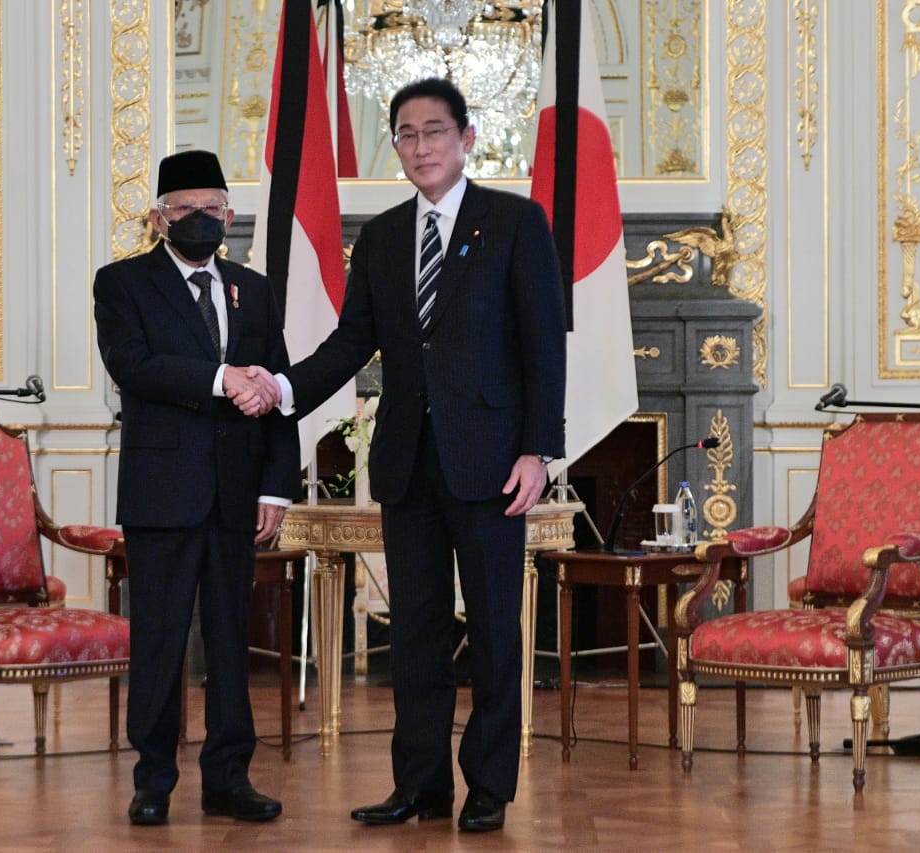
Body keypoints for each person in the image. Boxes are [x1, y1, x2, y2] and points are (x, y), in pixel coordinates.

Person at [249, 77, 567, 832]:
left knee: (493, 629)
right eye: (406, 134)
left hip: (492, 463)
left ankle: (488, 784)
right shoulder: (386, 235)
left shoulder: (517, 223)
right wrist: (284, 387)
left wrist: (539, 451)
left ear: (467, 137)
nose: (420, 147)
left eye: (434, 131)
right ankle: (420, 785)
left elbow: (542, 345)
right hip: (406, 462)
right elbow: (354, 341)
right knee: (416, 634)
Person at [93, 149, 299, 827]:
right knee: (160, 640)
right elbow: (134, 365)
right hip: (162, 496)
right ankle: (153, 778)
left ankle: (228, 777)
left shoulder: (254, 289)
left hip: (238, 497)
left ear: (231, 215)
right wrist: (219, 378)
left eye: (213, 209)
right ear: (159, 218)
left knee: (231, 642)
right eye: (186, 210)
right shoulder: (122, 283)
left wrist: (278, 486)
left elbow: (277, 390)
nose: (202, 220)